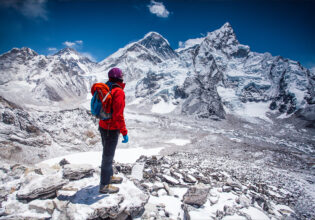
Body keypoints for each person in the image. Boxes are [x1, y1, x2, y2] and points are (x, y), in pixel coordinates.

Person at [98, 67, 128, 194]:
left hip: (103, 126)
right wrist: (124, 132)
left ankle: (109, 177)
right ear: (120, 77)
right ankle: (104, 185)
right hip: (112, 129)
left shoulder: (106, 88)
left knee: (108, 154)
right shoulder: (118, 92)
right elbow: (118, 115)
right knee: (108, 157)